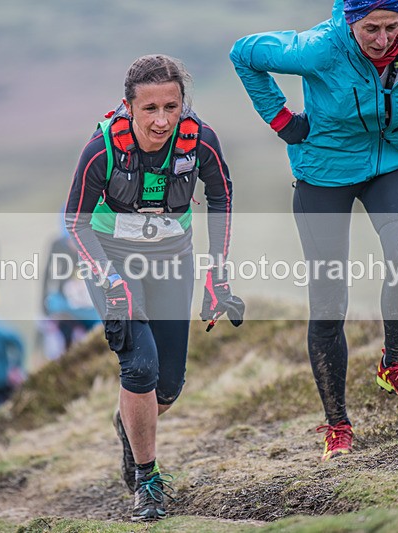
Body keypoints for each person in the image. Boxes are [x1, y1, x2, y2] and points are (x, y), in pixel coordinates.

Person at [230, 0, 398, 461]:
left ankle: (395, 365)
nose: (383, 40)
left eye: (391, 27)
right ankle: (337, 424)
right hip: (325, 173)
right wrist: (282, 121)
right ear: (350, 21)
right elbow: (243, 53)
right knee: (329, 301)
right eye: (371, 29)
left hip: (390, 163)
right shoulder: (318, 47)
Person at [65, 54, 244, 521]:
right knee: (139, 366)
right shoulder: (102, 149)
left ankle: (129, 422)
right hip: (112, 258)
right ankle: (148, 481)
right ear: (128, 107)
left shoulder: (200, 141)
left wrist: (217, 273)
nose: (162, 120)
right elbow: (75, 221)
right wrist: (110, 280)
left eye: (171, 107)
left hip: (172, 258)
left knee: (167, 386)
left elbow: (221, 198)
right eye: (150, 109)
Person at [39, 222, 100, 360]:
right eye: (70, 240)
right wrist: (43, 308)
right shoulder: (57, 245)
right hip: (64, 303)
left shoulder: (94, 246)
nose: (73, 245)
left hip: (90, 307)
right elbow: (46, 276)